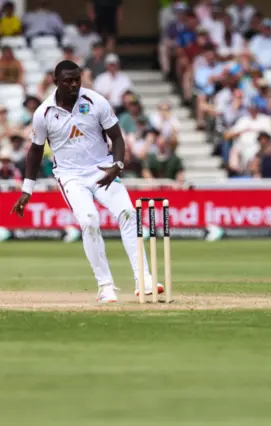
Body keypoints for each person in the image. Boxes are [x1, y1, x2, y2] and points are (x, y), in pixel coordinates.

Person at [9, 60, 163, 303]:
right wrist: (27, 189)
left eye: (76, 80)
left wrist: (117, 165)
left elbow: (117, 137)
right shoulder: (43, 113)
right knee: (90, 221)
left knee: (127, 212)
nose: (73, 85)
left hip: (102, 169)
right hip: (71, 177)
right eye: (67, 81)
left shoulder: (95, 101)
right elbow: (35, 152)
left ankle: (143, 278)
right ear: (55, 82)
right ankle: (105, 286)